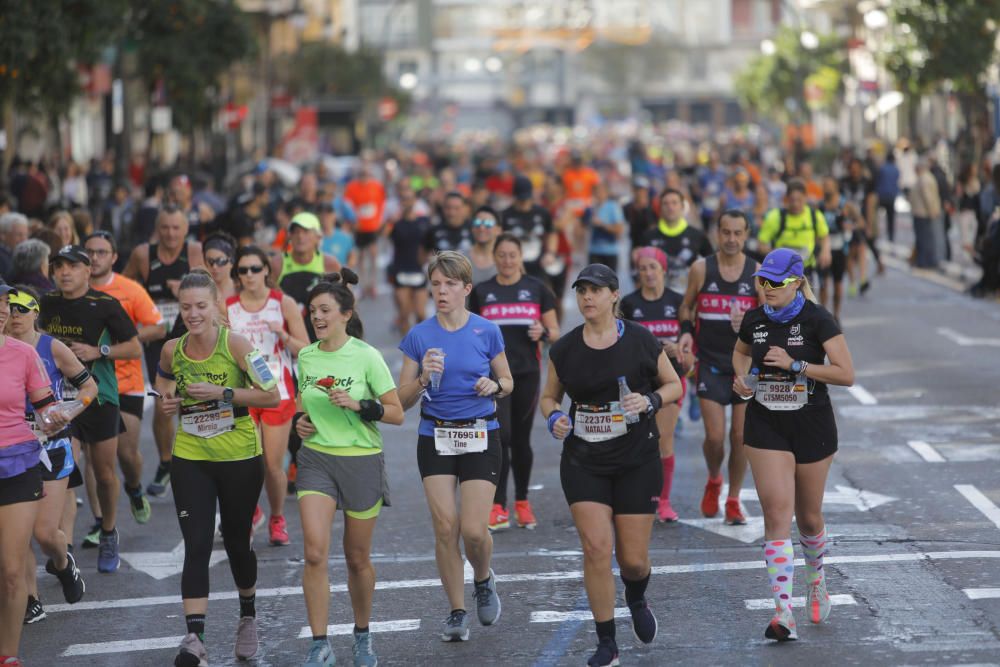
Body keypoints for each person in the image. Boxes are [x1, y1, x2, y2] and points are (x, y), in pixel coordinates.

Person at [540, 263, 682, 667]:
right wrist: (555, 418)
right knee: (597, 548)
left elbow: (672, 385)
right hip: (585, 460)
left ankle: (635, 596)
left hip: (637, 458)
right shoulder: (565, 348)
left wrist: (650, 401)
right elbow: (549, 398)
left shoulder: (639, 340)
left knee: (633, 559)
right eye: (581, 290)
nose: (587, 297)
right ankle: (607, 643)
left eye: (595, 290)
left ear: (614, 295)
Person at [155, 269, 280, 666]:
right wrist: (167, 401)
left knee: (238, 545)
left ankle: (247, 616)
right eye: (186, 307)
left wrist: (223, 392)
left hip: (239, 458)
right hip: (191, 457)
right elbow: (163, 386)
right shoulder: (171, 350)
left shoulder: (237, 345)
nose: (193, 314)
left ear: (215, 307)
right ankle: (195, 638)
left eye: (200, 306)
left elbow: (272, 396)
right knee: (196, 545)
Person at [732, 248, 855, 640]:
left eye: (776, 283)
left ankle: (815, 579)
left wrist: (796, 365)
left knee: (809, 518)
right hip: (766, 424)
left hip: (811, 424)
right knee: (776, 513)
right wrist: (744, 381)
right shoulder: (754, 320)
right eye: (762, 282)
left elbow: (846, 374)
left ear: (798, 282)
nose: (767, 289)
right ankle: (783, 611)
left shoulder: (819, 320)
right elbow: (739, 353)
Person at [397, 251, 511, 643]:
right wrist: (424, 378)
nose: (441, 291)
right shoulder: (420, 336)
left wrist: (494, 386)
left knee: (475, 530)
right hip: (436, 435)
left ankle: (483, 577)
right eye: (436, 284)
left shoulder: (487, 330)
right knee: (446, 527)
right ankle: (456, 610)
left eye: (449, 284)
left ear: (466, 288)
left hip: (481, 432)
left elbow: (508, 381)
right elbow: (401, 400)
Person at [293, 270, 404, 667]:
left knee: (357, 557)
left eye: (324, 310)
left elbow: (395, 413)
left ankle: (362, 636)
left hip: (361, 459)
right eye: (312, 311)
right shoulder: (306, 356)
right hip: (316, 458)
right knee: (314, 551)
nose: (316, 318)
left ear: (345, 313)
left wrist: (360, 405)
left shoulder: (367, 356)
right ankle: (319, 643)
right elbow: (302, 409)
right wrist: (299, 423)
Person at [40, 245, 142, 570]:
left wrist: (99, 350)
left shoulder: (105, 304)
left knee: (105, 474)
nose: (65, 272)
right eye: (59, 266)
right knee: (65, 471)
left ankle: (109, 531)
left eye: (72, 266)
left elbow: (136, 348)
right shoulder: (47, 303)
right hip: (59, 401)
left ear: (88, 270)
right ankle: (64, 542)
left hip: (98, 397)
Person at [6, 289, 92, 623]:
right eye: (8, 308)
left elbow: (90, 387)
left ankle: (62, 562)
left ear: (35, 312)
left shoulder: (51, 347)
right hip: (14, 450)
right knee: (18, 534)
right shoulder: (3, 349)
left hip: (52, 447)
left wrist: (70, 413)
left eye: (21, 308)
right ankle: (31, 599)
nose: (14, 314)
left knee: (44, 533)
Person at [0, 279, 70, 667]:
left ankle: (7, 656)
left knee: (12, 573)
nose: (2, 312)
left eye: (5, 305)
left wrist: (53, 419)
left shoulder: (24, 355)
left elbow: (44, 405)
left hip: (18, 463)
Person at [468, 234, 559, 531]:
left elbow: (555, 331)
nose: (507, 261)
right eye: (502, 255)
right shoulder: (483, 291)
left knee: (520, 439)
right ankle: (498, 504)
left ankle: (522, 501)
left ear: (521, 257)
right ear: (494, 257)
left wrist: (542, 333)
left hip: (527, 373)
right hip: (494, 377)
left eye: (513, 255)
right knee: (501, 436)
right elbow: (469, 331)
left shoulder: (536, 289)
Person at [678, 211, 761, 526]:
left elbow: (770, 314)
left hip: (744, 366)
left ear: (746, 234)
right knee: (714, 438)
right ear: (717, 234)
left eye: (738, 233)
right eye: (726, 232)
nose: (731, 239)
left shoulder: (756, 273)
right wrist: (686, 330)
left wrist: (749, 323)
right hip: (710, 362)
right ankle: (714, 478)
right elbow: (686, 305)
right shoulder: (701, 269)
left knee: (740, 435)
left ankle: (734, 498)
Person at [228, 245, 309, 546]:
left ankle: (277, 517)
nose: (249, 275)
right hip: (242, 393)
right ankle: (251, 513)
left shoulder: (282, 303)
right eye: (243, 270)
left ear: (266, 271)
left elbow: (306, 347)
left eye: (254, 269)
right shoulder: (229, 307)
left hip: (278, 392)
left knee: (272, 465)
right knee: (246, 462)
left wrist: (283, 335)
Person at [85, 230, 166, 526]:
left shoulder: (130, 289)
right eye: (90, 252)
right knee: (94, 458)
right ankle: (100, 521)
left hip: (125, 383)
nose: (95, 258)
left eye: (101, 252)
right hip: (85, 384)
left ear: (114, 257)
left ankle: (134, 488)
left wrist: (114, 345)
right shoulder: (74, 292)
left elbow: (157, 327)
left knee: (125, 453)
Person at [124, 205, 205, 497]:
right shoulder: (143, 255)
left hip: (190, 335)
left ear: (185, 230)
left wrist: (184, 288)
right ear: (157, 230)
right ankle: (166, 462)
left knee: (191, 400)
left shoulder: (195, 253)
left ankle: (192, 460)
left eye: (176, 228)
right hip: (158, 338)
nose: (171, 234)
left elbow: (210, 291)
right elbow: (124, 288)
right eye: (165, 228)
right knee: (163, 404)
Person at [621, 247, 687, 522]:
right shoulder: (628, 303)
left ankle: (663, 500)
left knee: (664, 440)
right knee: (634, 441)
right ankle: (635, 495)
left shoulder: (678, 301)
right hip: (638, 381)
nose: (648, 273)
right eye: (643, 268)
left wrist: (678, 347)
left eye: (653, 267)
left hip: (671, 379)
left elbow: (689, 341)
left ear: (663, 271)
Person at [271, 212, 341, 340]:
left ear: (318, 237)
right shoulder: (277, 264)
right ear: (289, 236)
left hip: (322, 336)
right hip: (287, 336)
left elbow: (343, 301)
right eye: (296, 232)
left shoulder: (329, 263)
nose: (300, 236)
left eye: (306, 232)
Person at [757, 179, 831, 291]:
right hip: (781, 272)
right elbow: (761, 243)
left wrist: (826, 251)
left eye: (799, 200)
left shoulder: (814, 216)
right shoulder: (775, 217)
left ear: (806, 198)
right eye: (792, 200)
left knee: (807, 304)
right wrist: (775, 255)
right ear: (786, 199)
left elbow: (824, 235)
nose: (795, 204)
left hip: (806, 269)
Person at [641, 188, 715, 293]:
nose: (670, 207)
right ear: (660, 208)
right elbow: (640, 272)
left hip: (689, 297)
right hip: (658, 298)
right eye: (665, 203)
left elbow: (712, 265)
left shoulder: (697, 235)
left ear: (682, 206)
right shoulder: (649, 237)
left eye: (674, 203)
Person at [387, 182, 431, 336]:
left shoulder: (424, 221)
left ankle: (423, 341)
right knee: (404, 313)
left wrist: (427, 261)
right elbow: (383, 239)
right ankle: (408, 346)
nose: (406, 202)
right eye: (403, 199)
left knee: (420, 313)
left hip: (419, 269)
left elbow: (430, 245)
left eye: (409, 199)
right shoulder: (395, 224)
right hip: (401, 269)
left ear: (414, 201)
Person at [501, 176, 558, 281]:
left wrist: (551, 253)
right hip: (513, 267)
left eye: (526, 199)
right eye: (521, 199)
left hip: (539, 265)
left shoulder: (542, 213)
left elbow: (552, 233)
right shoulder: (505, 215)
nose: (524, 203)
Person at [343, 164, 386, 298]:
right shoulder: (352, 187)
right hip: (359, 226)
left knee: (373, 254)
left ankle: (373, 284)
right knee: (360, 256)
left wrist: (380, 222)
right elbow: (347, 205)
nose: (364, 178)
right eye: (362, 175)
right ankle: (362, 284)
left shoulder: (377, 186)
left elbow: (382, 204)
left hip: (373, 226)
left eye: (366, 175)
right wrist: (351, 222)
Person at [816, 181, 852, 323]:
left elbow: (854, 222)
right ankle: (824, 315)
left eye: (829, 185)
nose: (827, 188)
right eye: (825, 185)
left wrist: (847, 227)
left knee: (838, 283)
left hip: (839, 248)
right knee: (823, 282)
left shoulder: (844, 204)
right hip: (824, 249)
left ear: (836, 187)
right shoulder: (820, 206)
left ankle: (836, 314)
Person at [587, 182, 624, 272]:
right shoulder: (591, 207)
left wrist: (602, 224)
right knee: (594, 283)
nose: (598, 194)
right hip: (594, 250)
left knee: (609, 284)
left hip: (610, 251)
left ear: (607, 193)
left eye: (601, 191)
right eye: (596, 192)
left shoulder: (613, 207)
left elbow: (619, 229)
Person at [423, 191, 472, 256]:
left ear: (464, 209)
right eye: (448, 208)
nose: (452, 213)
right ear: (443, 208)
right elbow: (423, 256)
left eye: (456, 208)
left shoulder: (473, 229)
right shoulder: (433, 230)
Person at [468, 206, 500, 285]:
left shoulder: (508, 260)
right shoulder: (460, 258)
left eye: (488, 224)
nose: (482, 228)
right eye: (477, 223)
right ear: (472, 227)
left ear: (498, 230)